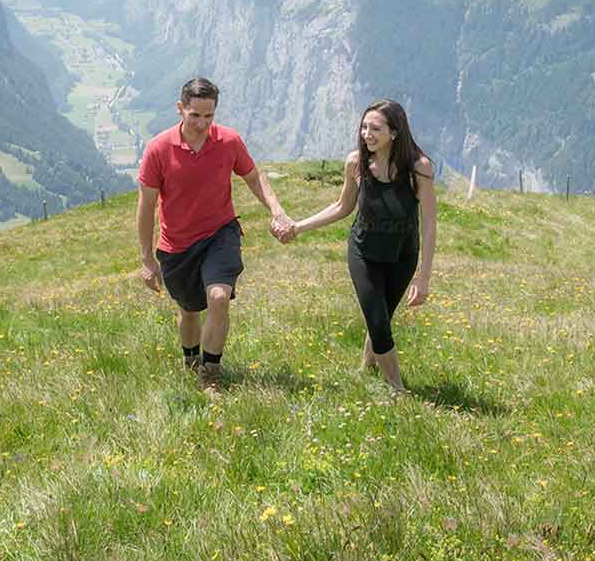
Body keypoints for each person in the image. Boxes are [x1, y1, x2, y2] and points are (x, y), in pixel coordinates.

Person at [136, 77, 293, 390]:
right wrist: (146, 259)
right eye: (195, 115)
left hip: (220, 233)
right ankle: (191, 361)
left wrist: (277, 210)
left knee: (219, 298)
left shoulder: (229, 141)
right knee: (190, 311)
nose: (202, 123)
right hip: (177, 244)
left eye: (209, 116)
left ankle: (210, 377)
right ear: (180, 109)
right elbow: (146, 206)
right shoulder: (158, 149)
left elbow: (253, 177)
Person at [282, 99, 436, 394]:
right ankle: (397, 389)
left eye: (376, 128)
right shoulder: (357, 163)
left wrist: (423, 277)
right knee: (377, 320)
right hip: (363, 252)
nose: (367, 134)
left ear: (395, 132)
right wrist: (299, 226)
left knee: (382, 317)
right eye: (364, 127)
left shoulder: (419, 167)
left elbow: (429, 223)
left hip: (402, 255)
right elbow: (342, 207)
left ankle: (366, 369)